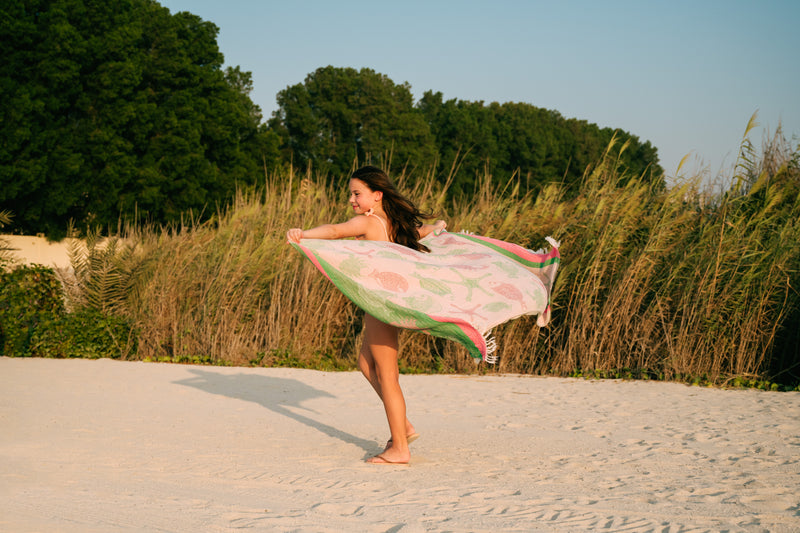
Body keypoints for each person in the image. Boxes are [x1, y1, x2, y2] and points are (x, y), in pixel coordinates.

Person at [287, 165, 446, 464]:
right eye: (351, 194)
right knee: (364, 362)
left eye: (357, 194)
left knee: (388, 376)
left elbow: (335, 231)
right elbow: (419, 233)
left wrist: (302, 234)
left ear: (377, 195)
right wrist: (435, 227)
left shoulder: (369, 223)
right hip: (386, 302)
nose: (352, 200)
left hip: (382, 305)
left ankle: (400, 446)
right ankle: (405, 427)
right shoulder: (393, 224)